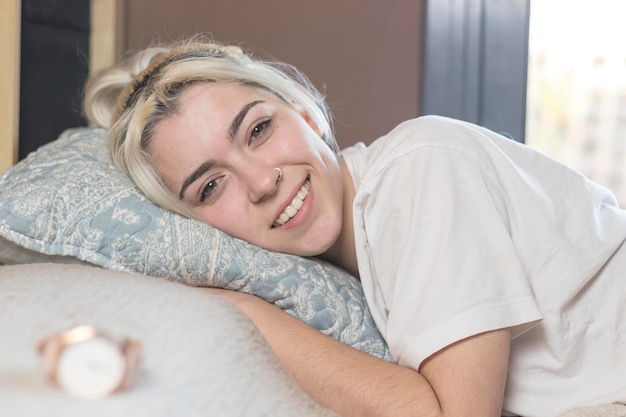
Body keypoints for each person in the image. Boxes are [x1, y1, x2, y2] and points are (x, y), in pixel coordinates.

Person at [84, 38, 626, 417]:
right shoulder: (358, 254)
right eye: (210, 186)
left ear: (307, 113)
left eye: (258, 129)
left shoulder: (418, 166)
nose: (261, 181)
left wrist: (245, 315)